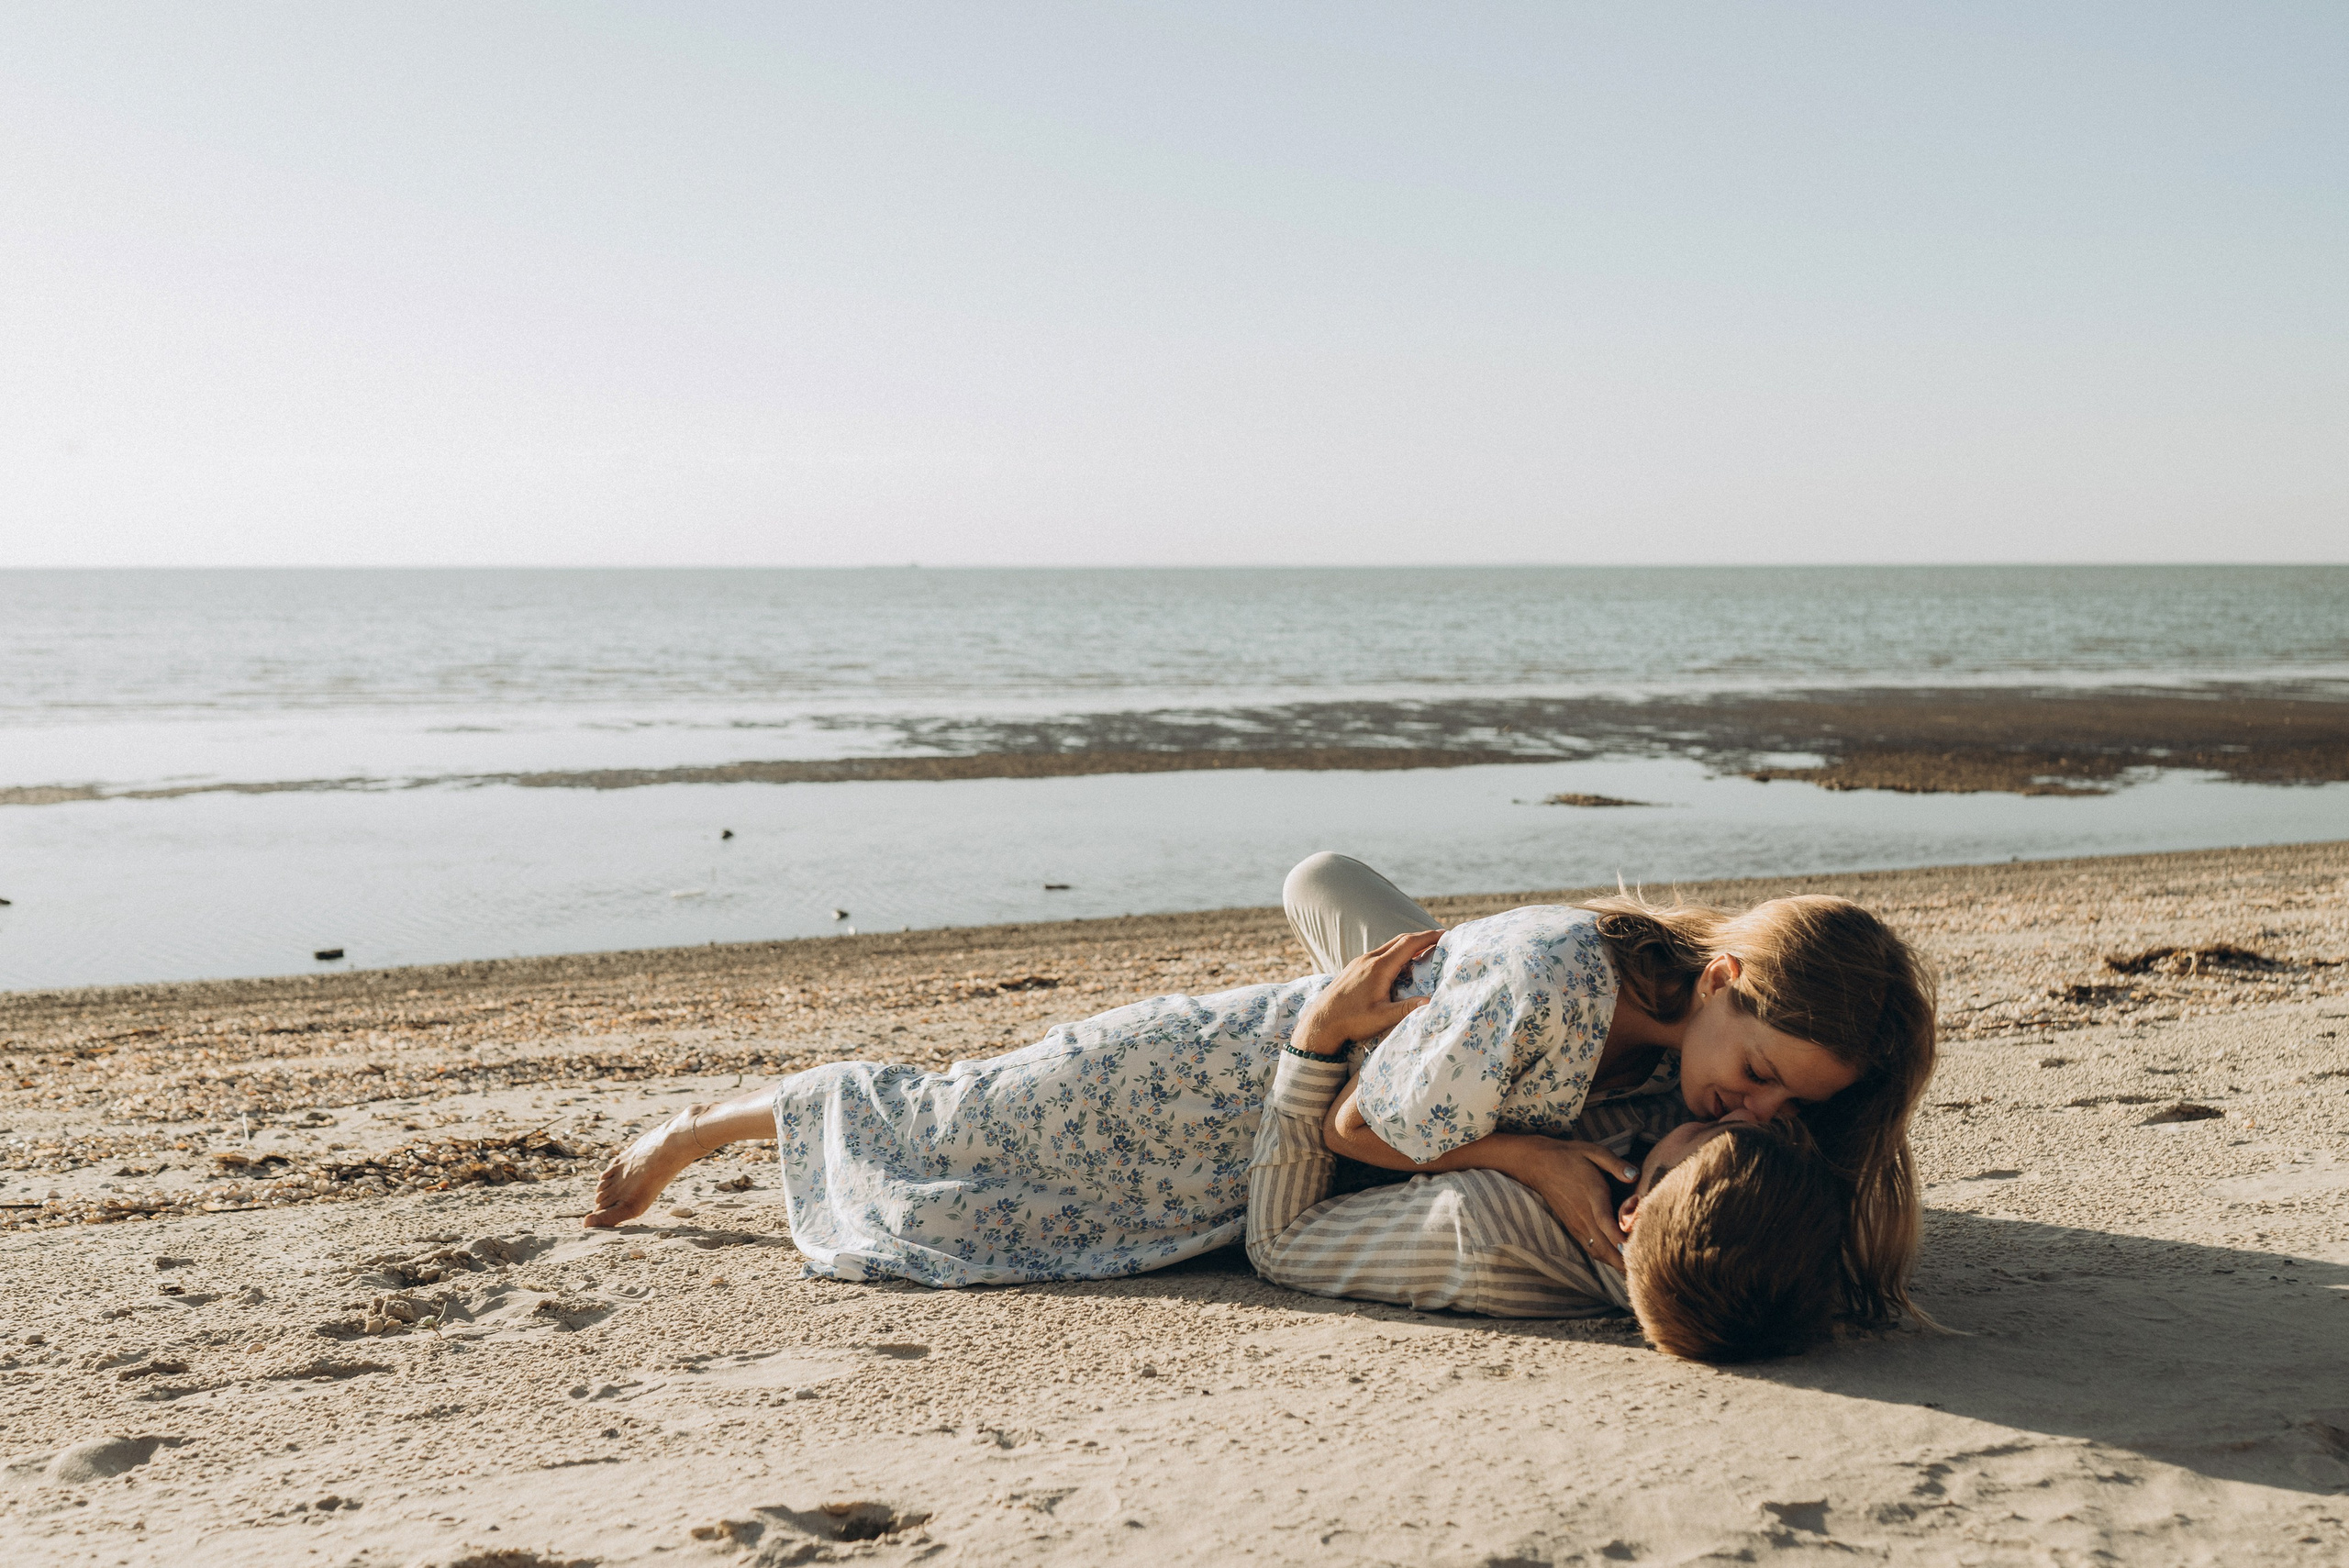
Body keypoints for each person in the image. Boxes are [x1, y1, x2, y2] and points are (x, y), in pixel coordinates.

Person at [586, 851, 1935, 1334]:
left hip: (1314, 1122)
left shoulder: (1685, 1066)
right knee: (955, 1119)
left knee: (1043, 1233)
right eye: (1757, 1072)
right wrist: (1530, 1158)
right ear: (1730, 971)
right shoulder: (1561, 983)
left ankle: (1353, 917)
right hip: (1218, 1079)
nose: (1755, 1107)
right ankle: (701, 1127)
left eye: (1785, 1104)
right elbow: (1356, 1125)